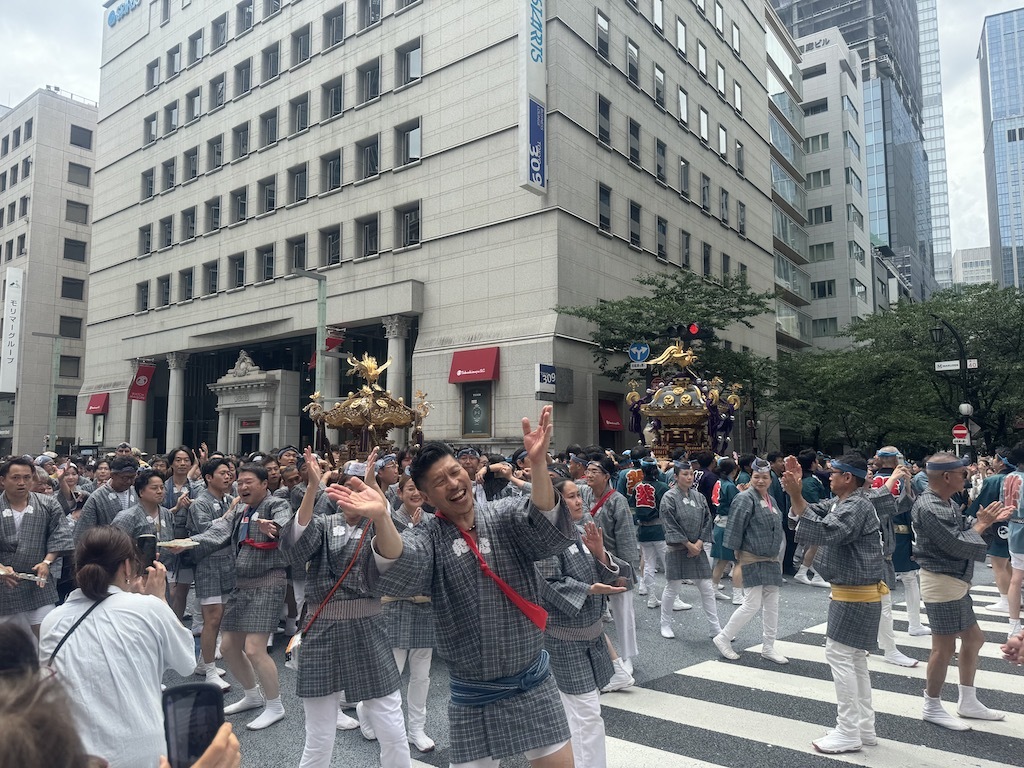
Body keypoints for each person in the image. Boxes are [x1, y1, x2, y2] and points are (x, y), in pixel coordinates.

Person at [339, 405, 577, 767]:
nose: (453, 484)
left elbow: (546, 529)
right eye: (439, 482)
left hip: (532, 678)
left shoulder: (506, 513)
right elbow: (402, 563)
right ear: (425, 496)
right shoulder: (428, 536)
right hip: (474, 691)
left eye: (455, 472)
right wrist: (382, 518)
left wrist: (539, 463)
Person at [280, 449, 410, 768]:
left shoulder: (380, 525)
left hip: (369, 628)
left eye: (360, 488)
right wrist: (312, 487)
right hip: (322, 627)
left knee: (391, 724)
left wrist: (376, 494)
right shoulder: (324, 524)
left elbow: (398, 550)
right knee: (319, 733)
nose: (353, 495)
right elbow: (294, 549)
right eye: (348, 488)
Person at [39, 526, 196, 768]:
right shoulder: (148, 609)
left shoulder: (52, 621)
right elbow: (187, 663)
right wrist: (160, 600)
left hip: (76, 756)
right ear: (126, 567)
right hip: (143, 753)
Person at [784, 454, 886, 754]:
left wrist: (796, 493)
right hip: (856, 590)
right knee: (853, 660)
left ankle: (848, 730)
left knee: (841, 657)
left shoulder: (857, 505)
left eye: (835, 472)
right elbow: (806, 513)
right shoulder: (842, 502)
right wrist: (796, 493)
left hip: (856, 592)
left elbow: (827, 531)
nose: (829, 476)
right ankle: (864, 728)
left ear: (849, 478)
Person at [182, 463, 292, 730]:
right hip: (241, 584)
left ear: (265, 484)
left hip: (268, 582)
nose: (242, 487)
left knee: (254, 648)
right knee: (230, 646)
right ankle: (252, 695)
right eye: (240, 482)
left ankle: (275, 705)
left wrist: (274, 528)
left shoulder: (276, 504)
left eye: (248, 482)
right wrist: (186, 544)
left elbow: (285, 525)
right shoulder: (240, 510)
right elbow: (217, 532)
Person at [911, 452, 1011, 730]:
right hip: (942, 581)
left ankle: (967, 700)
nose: (965, 478)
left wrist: (982, 520)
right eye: (962, 474)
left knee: (974, 639)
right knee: (943, 648)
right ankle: (931, 705)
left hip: (952, 579)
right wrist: (982, 523)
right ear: (947, 477)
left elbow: (963, 527)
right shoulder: (931, 506)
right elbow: (955, 543)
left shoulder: (943, 501)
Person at [537, 478, 629, 768]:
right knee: (586, 713)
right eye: (573, 497)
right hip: (565, 640)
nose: (580, 502)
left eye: (580, 496)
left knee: (581, 713)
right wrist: (589, 589)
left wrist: (600, 552)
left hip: (591, 637)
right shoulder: (547, 541)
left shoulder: (579, 534)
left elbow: (612, 573)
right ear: (555, 503)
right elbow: (548, 583)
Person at [713, 458, 787, 664]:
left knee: (772, 603)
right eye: (757, 477)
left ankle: (769, 646)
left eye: (765, 477)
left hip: (771, 559)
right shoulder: (745, 498)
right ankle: (723, 637)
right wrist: (737, 559)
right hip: (751, 557)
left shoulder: (770, 499)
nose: (761, 481)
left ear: (770, 479)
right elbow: (735, 528)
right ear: (751, 477)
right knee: (752, 604)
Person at [383, 473, 437, 752]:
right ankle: (376, 719)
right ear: (400, 492)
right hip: (395, 603)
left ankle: (417, 727)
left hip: (425, 606)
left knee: (422, 673)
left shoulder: (433, 522)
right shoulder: (388, 521)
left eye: (419, 488)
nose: (415, 493)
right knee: (392, 670)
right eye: (410, 488)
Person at [0, 457, 73, 638]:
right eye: (15, 478)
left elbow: (60, 534)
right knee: (10, 644)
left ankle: (47, 667)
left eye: (26, 478)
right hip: (4, 583)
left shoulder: (48, 504)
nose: (21, 483)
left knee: (48, 635)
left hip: (38, 581)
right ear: (3, 480)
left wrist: (47, 562)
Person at [584, 454, 640, 676]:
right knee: (591, 614)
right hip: (589, 563)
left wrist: (625, 572)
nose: (588, 475)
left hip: (614, 563)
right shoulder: (583, 493)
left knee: (623, 612)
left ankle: (627, 656)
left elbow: (626, 539)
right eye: (587, 471)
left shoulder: (617, 500)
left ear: (607, 476)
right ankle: (600, 657)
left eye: (594, 472)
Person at [187, 457, 238, 692]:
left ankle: (202, 663)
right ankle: (208, 670)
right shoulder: (200, 503)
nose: (228, 476)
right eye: (222, 473)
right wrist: (229, 514)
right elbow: (206, 532)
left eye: (229, 473)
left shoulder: (228, 498)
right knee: (212, 618)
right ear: (208, 478)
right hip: (208, 564)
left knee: (220, 616)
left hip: (227, 562)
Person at [659, 462, 722, 640]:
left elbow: (707, 519)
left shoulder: (699, 497)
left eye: (691, 474)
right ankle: (665, 623)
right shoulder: (669, 497)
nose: (689, 477)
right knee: (673, 587)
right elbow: (669, 523)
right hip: (678, 547)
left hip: (698, 547)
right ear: (676, 476)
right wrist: (688, 544)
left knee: (707, 588)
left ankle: (715, 628)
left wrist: (700, 543)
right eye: (685, 474)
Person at [872, 448, 931, 635]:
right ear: (898, 459)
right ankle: (914, 624)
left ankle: (879, 629)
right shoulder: (901, 479)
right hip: (901, 532)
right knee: (910, 578)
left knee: (878, 582)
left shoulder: (872, 480)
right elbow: (911, 504)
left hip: (877, 533)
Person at [969, 447, 1014, 615]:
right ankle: (1013, 596)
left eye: (995, 459)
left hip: (999, 524)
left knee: (998, 563)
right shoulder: (1017, 477)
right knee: (1008, 562)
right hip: (1017, 524)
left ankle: (1006, 600)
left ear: (1001, 462)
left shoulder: (994, 480)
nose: (993, 462)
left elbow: (981, 505)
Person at [630, 456, 669, 607]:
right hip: (659, 529)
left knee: (648, 564)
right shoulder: (662, 487)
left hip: (643, 530)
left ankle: (652, 597)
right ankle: (672, 598)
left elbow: (633, 506)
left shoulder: (637, 487)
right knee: (668, 564)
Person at [74, 456, 139, 544]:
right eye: (125, 478)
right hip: (105, 547)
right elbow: (84, 531)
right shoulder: (97, 497)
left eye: (132, 478)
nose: (129, 481)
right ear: (112, 475)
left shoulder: (136, 493)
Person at [793, 449, 830, 588]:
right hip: (813, 514)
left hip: (809, 513)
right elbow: (814, 501)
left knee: (815, 546)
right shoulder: (809, 481)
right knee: (818, 545)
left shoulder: (808, 479)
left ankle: (807, 571)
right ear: (813, 462)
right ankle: (814, 574)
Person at [999, 442, 1024, 637]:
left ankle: (1013, 625)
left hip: (1014, 528)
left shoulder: (1009, 478)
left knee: (1016, 578)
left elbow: (1002, 506)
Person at [711, 458, 742, 604]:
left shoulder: (719, 482)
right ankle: (737, 594)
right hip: (728, 525)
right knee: (738, 561)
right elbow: (737, 505)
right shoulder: (729, 486)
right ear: (734, 470)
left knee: (722, 560)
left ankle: (714, 588)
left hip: (719, 523)